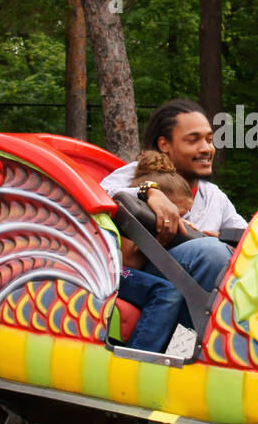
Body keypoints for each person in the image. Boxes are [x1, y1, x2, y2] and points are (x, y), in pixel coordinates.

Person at [101, 99, 246, 317]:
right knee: (211, 253)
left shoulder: (215, 196)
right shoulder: (139, 172)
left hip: (201, 285)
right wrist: (149, 191)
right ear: (164, 145)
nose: (206, 148)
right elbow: (98, 194)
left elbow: (246, 235)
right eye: (193, 140)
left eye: (209, 140)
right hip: (142, 277)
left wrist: (228, 241)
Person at [114, 152, 198, 354]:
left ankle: (181, 353)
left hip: (130, 273)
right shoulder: (132, 218)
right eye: (176, 215)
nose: (179, 221)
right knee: (167, 292)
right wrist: (159, 242)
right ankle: (137, 359)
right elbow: (129, 262)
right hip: (113, 271)